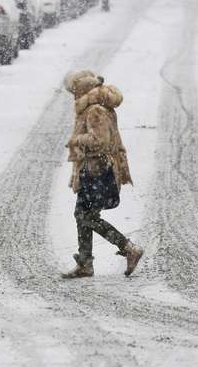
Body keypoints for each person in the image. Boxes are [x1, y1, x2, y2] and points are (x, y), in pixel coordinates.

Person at [61, 70, 143, 279]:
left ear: (81, 89)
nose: (73, 96)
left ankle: (128, 248)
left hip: (99, 170)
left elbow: (100, 141)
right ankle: (85, 263)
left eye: (74, 91)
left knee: (86, 215)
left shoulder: (94, 110)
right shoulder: (95, 107)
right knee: (83, 214)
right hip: (92, 170)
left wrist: (77, 140)